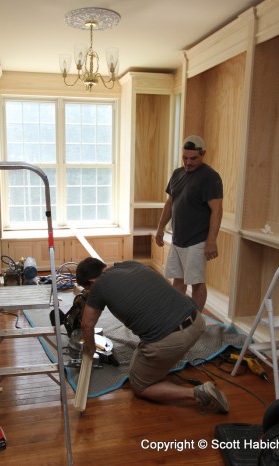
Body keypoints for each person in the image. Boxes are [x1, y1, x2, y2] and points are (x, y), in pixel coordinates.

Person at [75, 257, 229, 412]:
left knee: (140, 386)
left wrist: (91, 350)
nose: (90, 292)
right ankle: (171, 353)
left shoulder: (99, 285)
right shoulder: (131, 264)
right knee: (141, 352)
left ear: (91, 281)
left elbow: (87, 325)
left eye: (88, 289)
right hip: (197, 322)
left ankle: (197, 393)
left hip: (172, 339)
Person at [155, 135, 223, 311]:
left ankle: (196, 322)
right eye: (185, 157)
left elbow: (217, 210)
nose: (188, 162)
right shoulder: (177, 174)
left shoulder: (210, 177)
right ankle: (178, 316)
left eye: (193, 158)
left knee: (196, 282)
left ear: (203, 154)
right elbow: (170, 203)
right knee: (178, 279)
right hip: (178, 239)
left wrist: (211, 240)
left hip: (197, 240)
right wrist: (160, 228)